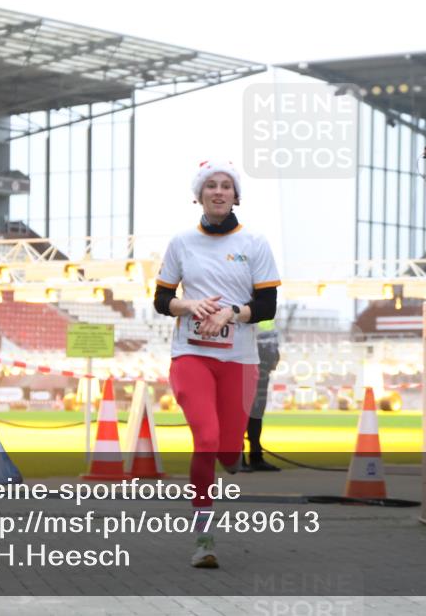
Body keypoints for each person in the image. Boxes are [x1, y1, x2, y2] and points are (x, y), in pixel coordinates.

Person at [152, 160, 279, 569]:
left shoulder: (255, 242)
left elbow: (267, 305)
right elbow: (160, 300)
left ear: (236, 195)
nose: (219, 192)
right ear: (199, 195)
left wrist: (229, 314)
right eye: (211, 186)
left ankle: (232, 455)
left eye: (226, 186)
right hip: (191, 354)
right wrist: (189, 304)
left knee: (227, 450)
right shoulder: (182, 242)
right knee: (206, 439)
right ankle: (204, 538)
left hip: (240, 358)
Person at [241, 320, 281, 472]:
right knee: (242, 412)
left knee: (257, 413)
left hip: (263, 366)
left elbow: (271, 337)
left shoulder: (267, 310)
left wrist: (274, 355)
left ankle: (256, 457)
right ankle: (238, 458)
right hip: (246, 364)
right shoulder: (243, 302)